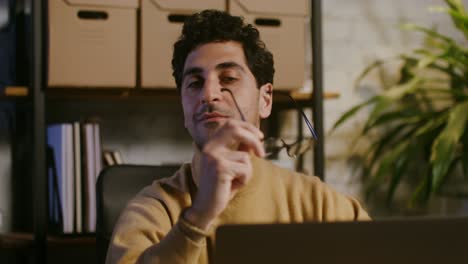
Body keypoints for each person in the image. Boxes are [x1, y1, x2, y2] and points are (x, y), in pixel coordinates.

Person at [106, 10, 370, 264]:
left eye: (229, 78)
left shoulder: (317, 203)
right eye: (195, 83)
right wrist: (197, 217)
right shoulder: (154, 207)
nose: (209, 94)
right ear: (184, 108)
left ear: (265, 99)